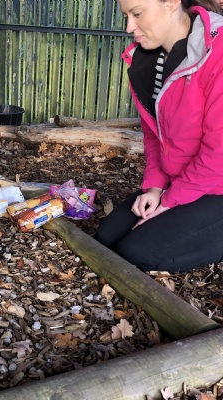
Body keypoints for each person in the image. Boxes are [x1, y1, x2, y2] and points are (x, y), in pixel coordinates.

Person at [94, 0, 223, 273]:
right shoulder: (147, 60)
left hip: (217, 186)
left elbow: (218, 153)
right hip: (179, 182)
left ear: (171, 3)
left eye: (137, 13)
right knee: (107, 236)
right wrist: (154, 187)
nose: (129, 27)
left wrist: (169, 201)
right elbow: (154, 135)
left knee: (136, 253)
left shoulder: (218, 51)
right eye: (126, 16)